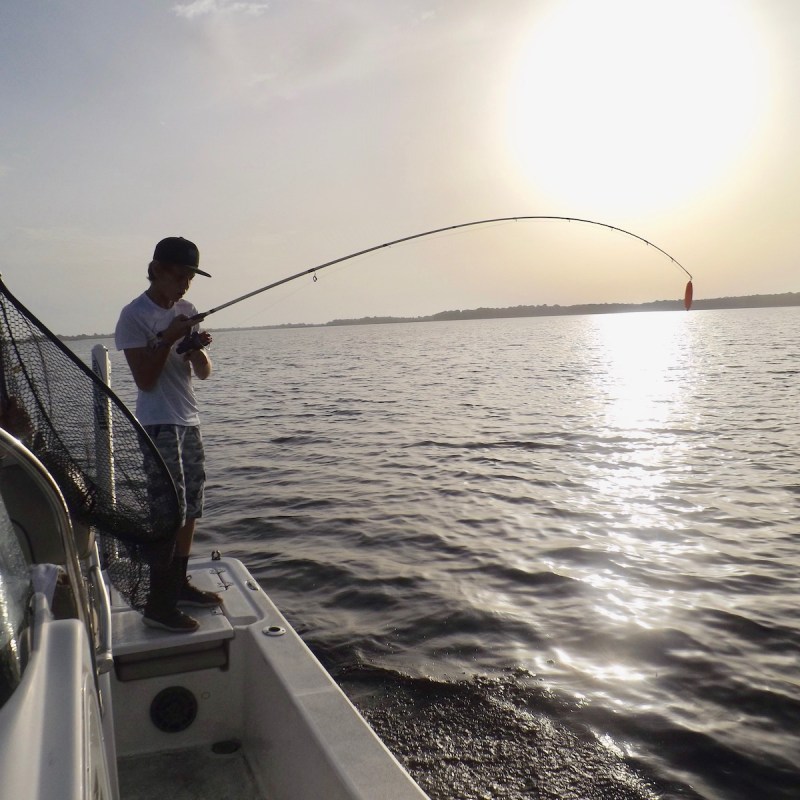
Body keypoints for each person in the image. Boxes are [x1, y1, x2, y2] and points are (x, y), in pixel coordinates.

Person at [114, 236, 219, 632]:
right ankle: (159, 604)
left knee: (192, 505)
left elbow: (205, 373)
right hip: (158, 421)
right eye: (179, 276)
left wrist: (194, 348)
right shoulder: (134, 315)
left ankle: (179, 584)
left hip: (189, 419)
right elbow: (143, 380)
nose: (185, 285)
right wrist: (171, 338)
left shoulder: (187, 310)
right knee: (167, 511)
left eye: (191, 278)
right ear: (157, 269)